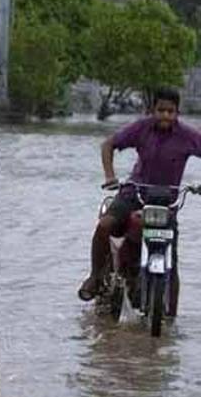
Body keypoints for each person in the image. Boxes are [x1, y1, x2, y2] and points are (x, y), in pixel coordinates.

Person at [78, 87, 201, 301]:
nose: (165, 115)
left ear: (177, 113)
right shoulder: (141, 128)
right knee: (105, 225)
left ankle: (170, 321)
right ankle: (95, 277)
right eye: (161, 110)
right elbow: (109, 145)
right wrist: (110, 176)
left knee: (171, 258)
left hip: (166, 203)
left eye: (170, 111)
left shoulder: (188, 136)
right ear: (152, 110)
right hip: (133, 194)